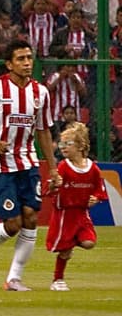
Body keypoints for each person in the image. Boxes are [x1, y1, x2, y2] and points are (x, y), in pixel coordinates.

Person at [0, 39, 60, 292]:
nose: (27, 63)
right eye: (21, 59)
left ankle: (14, 279)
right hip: (1, 165)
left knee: (31, 217)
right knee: (13, 223)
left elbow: (43, 130)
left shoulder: (40, 92)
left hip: (28, 162)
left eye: (29, 58)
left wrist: (52, 168)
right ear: (9, 64)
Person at [46, 121, 106, 291]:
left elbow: (100, 190)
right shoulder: (63, 167)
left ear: (80, 146)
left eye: (68, 144)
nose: (63, 147)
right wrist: (53, 185)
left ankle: (71, 243)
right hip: (65, 214)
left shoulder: (92, 168)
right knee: (64, 251)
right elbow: (49, 189)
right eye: (62, 144)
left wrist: (96, 198)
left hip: (81, 213)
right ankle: (58, 280)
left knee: (89, 243)